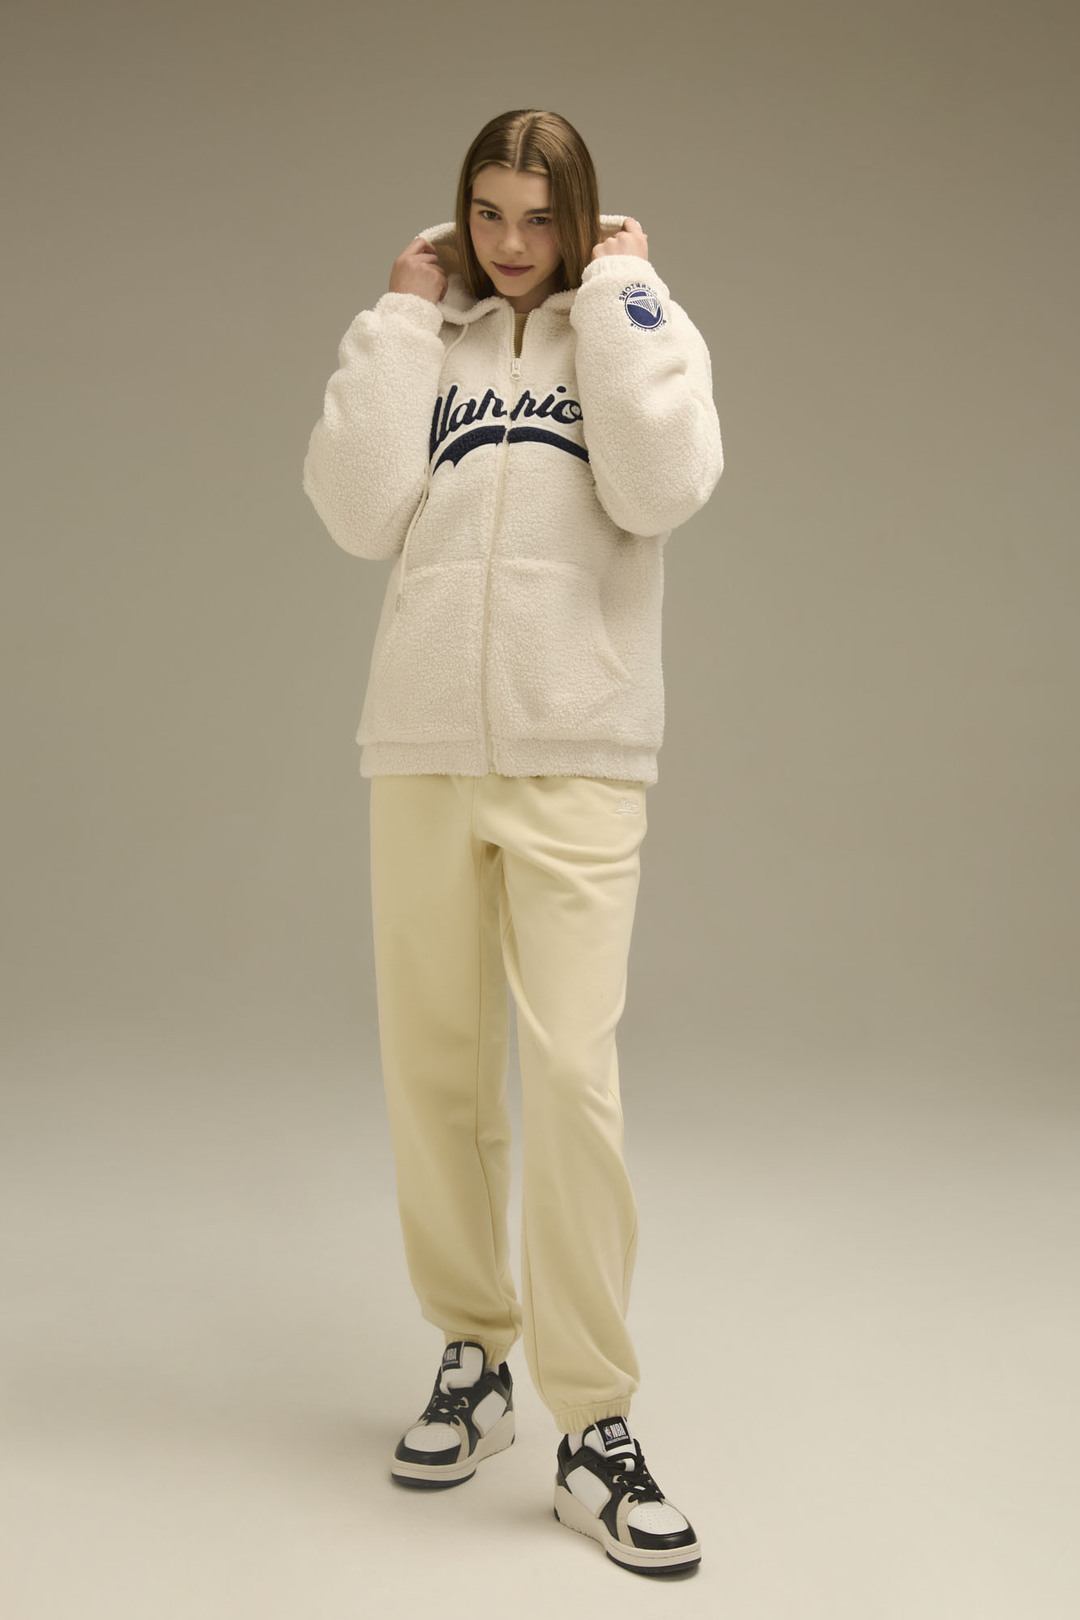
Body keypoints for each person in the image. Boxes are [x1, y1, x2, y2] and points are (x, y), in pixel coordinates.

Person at [302, 108, 723, 1577]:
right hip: (420, 752)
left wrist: (623, 297)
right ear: (461, 214)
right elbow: (355, 511)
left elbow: (662, 487)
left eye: (542, 216)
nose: (514, 242)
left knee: (570, 1082)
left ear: (582, 215)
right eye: (489, 212)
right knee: (434, 1072)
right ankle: (472, 1359)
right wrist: (400, 320)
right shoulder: (437, 341)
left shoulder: (640, 326)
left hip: (578, 757)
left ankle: (595, 1426)